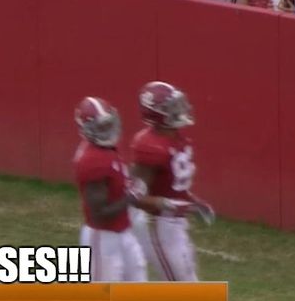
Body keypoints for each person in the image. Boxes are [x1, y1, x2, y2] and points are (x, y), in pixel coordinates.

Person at [129, 81, 215, 281]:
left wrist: (192, 201)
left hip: (175, 223)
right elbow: (135, 196)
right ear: (156, 114)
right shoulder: (149, 146)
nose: (181, 109)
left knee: (188, 281)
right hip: (158, 224)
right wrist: (169, 205)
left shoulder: (177, 138)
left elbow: (173, 185)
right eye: (172, 107)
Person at [73, 97, 147, 282]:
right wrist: (132, 196)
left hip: (123, 232)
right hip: (103, 238)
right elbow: (100, 214)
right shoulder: (92, 161)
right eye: (100, 127)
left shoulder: (106, 150)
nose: (107, 130)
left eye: (108, 124)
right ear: (87, 130)